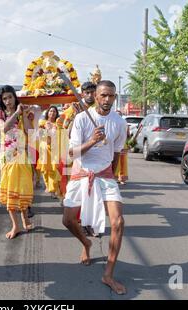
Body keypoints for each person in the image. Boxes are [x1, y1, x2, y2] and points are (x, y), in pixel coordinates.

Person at [62, 80, 128, 295]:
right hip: (82, 172)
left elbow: (117, 153)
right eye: (103, 95)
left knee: (118, 222)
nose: (107, 100)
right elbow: (72, 154)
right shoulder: (81, 119)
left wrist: (112, 177)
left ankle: (108, 274)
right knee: (68, 220)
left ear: (115, 97)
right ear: (95, 96)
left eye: (111, 96)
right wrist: (91, 141)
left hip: (105, 175)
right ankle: (86, 243)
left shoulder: (119, 123)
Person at [0, 85, 34, 239]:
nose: (8, 101)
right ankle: (15, 225)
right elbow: (3, 128)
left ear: (15, 98)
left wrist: (23, 114)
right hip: (8, 158)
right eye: (4, 99)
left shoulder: (22, 112)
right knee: (10, 190)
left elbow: (30, 132)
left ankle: (24, 219)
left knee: (22, 189)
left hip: (22, 157)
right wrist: (17, 113)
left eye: (10, 97)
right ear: (1, 101)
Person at [36, 106, 61, 198]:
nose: (52, 113)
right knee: (45, 171)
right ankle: (49, 187)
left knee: (53, 170)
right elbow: (39, 135)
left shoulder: (58, 124)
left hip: (54, 149)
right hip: (44, 148)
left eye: (54, 111)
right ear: (47, 113)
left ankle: (53, 189)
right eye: (50, 111)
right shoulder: (42, 123)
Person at [114, 110, 130, 185]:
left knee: (122, 163)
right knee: (113, 161)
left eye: (119, 115)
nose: (118, 116)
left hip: (123, 145)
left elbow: (128, 135)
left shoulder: (124, 123)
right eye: (116, 115)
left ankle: (122, 178)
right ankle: (113, 178)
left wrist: (129, 143)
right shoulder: (112, 122)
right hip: (113, 145)